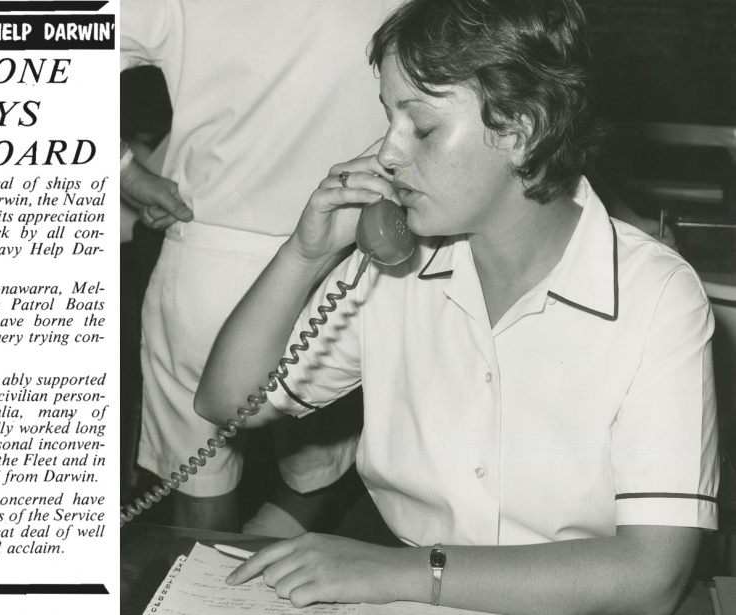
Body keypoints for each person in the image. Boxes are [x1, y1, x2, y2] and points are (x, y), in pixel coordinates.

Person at [195, 0, 718, 612]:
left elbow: (650, 578)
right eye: (387, 119)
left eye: (420, 127)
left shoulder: (658, 298)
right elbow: (225, 402)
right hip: (395, 579)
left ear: (520, 131)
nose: (387, 154)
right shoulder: (392, 268)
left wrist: (405, 574)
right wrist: (303, 256)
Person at [120, 0, 405, 532]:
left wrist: (127, 173)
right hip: (344, 258)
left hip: (214, 260)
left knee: (199, 495)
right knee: (318, 469)